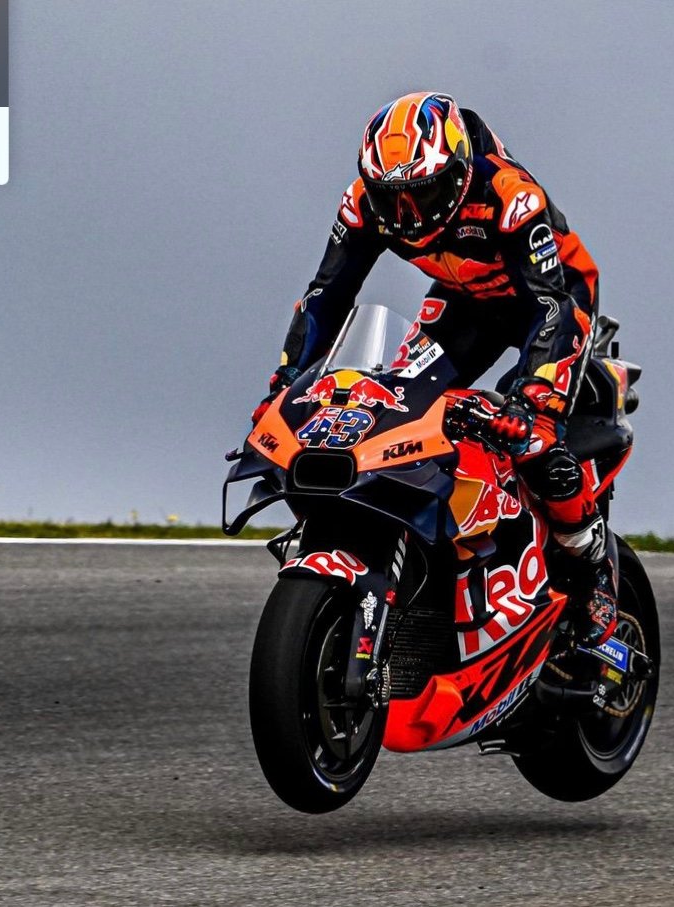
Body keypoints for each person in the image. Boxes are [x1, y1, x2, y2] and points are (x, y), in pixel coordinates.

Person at [252, 92, 616, 647]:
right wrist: (284, 385)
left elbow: (552, 306)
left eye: (422, 194)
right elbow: (326, 296)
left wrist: (530, 401)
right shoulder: (362, 204)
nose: (408, 215)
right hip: (463, 301)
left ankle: (592, 570)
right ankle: (417, 546)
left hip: (551, 302)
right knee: (395, 407)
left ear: (458, 173)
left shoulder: (510, 196)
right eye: (391, 199)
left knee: (534, 438)